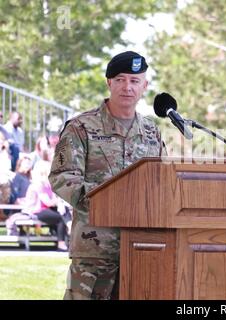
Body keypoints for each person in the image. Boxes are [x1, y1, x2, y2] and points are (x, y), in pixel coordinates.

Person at [49, 51, 166, 300]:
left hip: (141, 248)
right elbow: (63, 177)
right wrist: (110, 201)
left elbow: (162, 181)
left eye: (134, 81)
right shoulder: (81, 127)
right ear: (108, 82)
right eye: (120, 79)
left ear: (144, 86)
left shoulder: (151, 131)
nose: (127, 87)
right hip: (95, 248)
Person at [6, 160, 70, 251]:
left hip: (44, 209)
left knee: (63, 211)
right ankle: (61, 242)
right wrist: (58, 200)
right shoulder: (38, 184)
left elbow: (53, 199)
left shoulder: (47, 184)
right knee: (60, 218)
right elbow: (48, 202)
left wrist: (58, 201)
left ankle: (69, 230)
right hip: (36, 211)